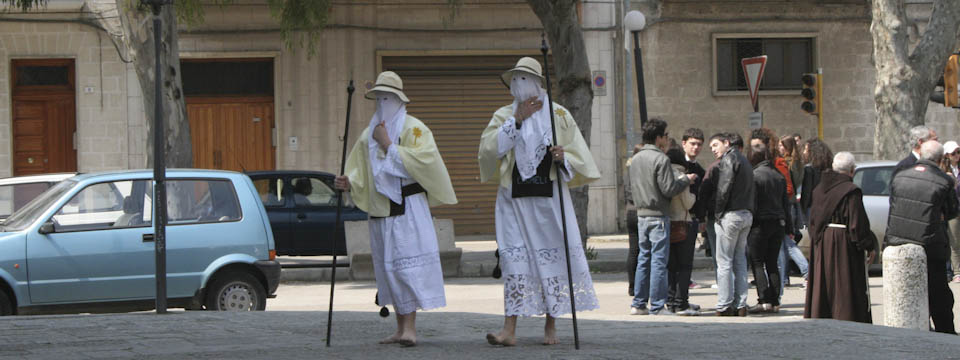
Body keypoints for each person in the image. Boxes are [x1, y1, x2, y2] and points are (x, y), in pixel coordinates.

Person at [478, 57, 601, 346]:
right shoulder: (502, 115)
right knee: (513, 261)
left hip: (549, 200)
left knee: (554, 259)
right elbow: (487, 150)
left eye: (525, 79)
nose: (519, 85)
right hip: (513, 200)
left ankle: (551, 327)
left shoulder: (559, 116)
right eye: (515, 80)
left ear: (538, 83)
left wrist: (563, 157)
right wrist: (516, 121)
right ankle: (509, 329)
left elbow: (580, 157)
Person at [335, 71, 458, 347]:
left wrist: (388, 144)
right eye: (378, 98)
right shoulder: (369, 133)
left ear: (399, 99)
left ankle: (410, 327)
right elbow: (361, 172)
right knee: (389, 268)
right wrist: (348, 182)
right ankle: (400, 327)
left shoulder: (414, 129)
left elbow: (424, 164)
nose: (382, 102)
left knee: (407, 266)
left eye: (387, 97)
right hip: (381, 210)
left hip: (409, 208)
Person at [885, 140, 957, 334]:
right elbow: (952, 211)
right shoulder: (944, 180)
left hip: (899, 241)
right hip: (931, 244)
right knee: (939, 298)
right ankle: (946, 335)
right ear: (941, 159)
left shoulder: (900, 175)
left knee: (907, 296)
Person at [627, 119, 695, 316]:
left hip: (641, 214)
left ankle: (639, 303)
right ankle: (657, 304)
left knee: (643, 258)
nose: (667, 139)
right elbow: (668, 189)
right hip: (658, 215)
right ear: (659, 138)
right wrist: (684, 180)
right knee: (658, 260)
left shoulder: (637, 158)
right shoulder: (661, 159)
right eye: (665, 136)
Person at [805, 152, 876, 323]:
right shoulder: (851, 191)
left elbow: (812, 217)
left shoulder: (819, 189)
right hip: (843, 241)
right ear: (852, 170)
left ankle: (822, 313)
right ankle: (846, 316)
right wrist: (868, 245)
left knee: (824, 280)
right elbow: (856, 224)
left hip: (822, 240)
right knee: (843, 282)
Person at [709, 132, 754, 316]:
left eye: (715, 145)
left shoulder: (729, 160)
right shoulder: (744, 161)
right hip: (745, 214)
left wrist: (718, 213)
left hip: (731, 215)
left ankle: (724, 304)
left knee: (724, 262)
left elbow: (723, 189)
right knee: (739, 260)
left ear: (726, 143)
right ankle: (741, 304)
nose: (713, 150)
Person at [746, 144, 792, 314]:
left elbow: (752, 202)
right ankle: (775, 301)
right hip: (778, 222)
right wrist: (789, 226)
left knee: (757, 262)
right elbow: (785, 203)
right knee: (772, 263)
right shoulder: (778, 175)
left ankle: (763, 300)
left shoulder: (754, 176)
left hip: (760, 223)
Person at [665, 142, 698, 315]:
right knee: (684, 266)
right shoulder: (680, 176)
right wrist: (692, 194)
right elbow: (687, 202)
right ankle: (681, 302)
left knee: (671, 266)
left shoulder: (663, 175)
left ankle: (670, 301)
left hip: (667, 222)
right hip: (682, 223)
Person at [680, 128, 706, 293]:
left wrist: (702, 218)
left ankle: (683, 290)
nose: (695, 147)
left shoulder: (700, 170)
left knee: (687, 258)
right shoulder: (678, 165)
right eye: (692, 143)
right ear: (684, 144)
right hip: (677, 216)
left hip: (692, 217)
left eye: (699, 144)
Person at [626, 144, 642, 296]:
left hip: (630, 211)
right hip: (641, 211)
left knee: (633, 250)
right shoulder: (641, 168)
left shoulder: (631, 168)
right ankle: (641, 285)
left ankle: (632, 286)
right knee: (644, 251)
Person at [943, 141, 960, 283]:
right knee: (953, 241)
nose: (956, 155)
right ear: (947, 155)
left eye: (958, 152)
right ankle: (955, 272)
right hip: (952, 210)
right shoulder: (944, 171)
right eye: (953, 153)